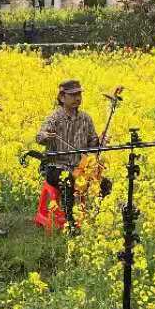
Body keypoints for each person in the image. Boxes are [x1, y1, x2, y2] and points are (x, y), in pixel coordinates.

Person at [35, 78, 102, 231]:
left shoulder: (85, 118)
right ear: (62, 97)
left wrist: (101, 141)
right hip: (56, 167)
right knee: (68, 181)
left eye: (79, 94)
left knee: (103, 182)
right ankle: (70, 223)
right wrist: (47, 136)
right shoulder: (55, 117)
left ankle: (98, 221)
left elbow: (93, 144)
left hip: (80, 167)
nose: (77, 98)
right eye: (72, 95)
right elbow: (39, 137)